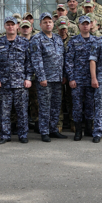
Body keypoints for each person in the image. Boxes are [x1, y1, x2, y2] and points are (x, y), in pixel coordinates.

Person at [0, 17, 32, 144]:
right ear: (5, 26)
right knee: (4, 111)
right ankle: (5, 135)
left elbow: (29, 62)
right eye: (8, 25)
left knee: (22, 111)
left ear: (17, 27)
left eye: (12, 25)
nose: (10, 27)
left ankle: (23, 135)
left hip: (20, 83)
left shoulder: (24, 43)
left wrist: (28, 78)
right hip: (3, 83)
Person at [30, 12, 67, 142]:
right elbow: (36, 59)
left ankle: (53, 130)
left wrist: (63, 75)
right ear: (40, 24)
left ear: (53, 23)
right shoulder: (37, 39)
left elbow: (62, 58)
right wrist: (41, 77)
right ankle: (44, 131)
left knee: (56, 105)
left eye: (50, 22)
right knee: (45, 106)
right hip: (45, 79)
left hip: (57, 78)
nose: (48, 24)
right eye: (45, 22)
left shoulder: (57, 38)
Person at [65, 15, 98, 141]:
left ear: (90, 25)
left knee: (90, 105)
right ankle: (78, 131)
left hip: (91, 79)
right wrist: (71, 78)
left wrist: (96, 78)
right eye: (83, 24)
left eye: (87, 23)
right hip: (77, 80)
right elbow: (69, 61)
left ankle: (89, 129)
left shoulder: (95, 41)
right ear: (79, 26)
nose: (85, 26)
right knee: (77, 106)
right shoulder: (73, 41)